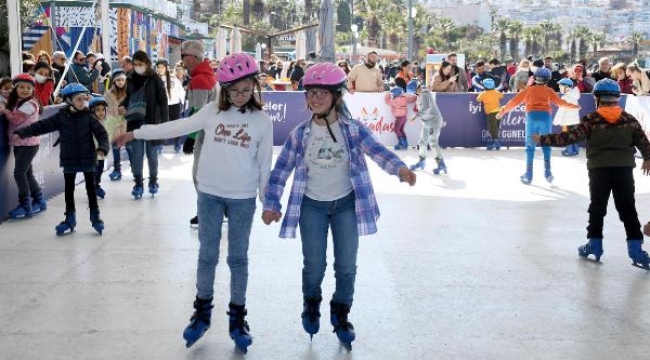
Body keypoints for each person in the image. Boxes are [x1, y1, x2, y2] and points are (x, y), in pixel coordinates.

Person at [115, 52, 273, 353]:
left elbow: (265, 165)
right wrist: (137, 133)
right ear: (222, 88)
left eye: (245, 90)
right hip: (210, 194)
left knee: (238, 259)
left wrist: (267, 200)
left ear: (254, 87)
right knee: (207, 255)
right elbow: (178, 126)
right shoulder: (212, 111)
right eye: (233, 90)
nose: (239, 96)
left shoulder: (262, 121)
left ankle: (238, 318)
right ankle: (202, 312)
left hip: (242, 199)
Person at [261, 62, 416, 349]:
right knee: (314, 266)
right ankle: (311, 304)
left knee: (346, 267)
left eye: (322, 93)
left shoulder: (353, 130)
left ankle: (341, 313)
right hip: (311, 207)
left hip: (346, 205)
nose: (316, 98)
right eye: (311, 93)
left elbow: (378, 151)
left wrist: (400, 169)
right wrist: (272, 203)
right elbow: (280, 171)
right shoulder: (299, 134)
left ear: (337, 96)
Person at [534, 79, 650, 270]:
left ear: (597, 98)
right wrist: (647, 158)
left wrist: (544, 139)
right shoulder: (629, 119)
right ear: (617, 99)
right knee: (628, 210)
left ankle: (594, 245)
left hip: (599, 171)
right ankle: (636, 251)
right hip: (624, 171)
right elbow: (644, 142)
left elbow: (568, 137)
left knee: (597, 208)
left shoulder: (591, 119)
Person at [12, 83, 109, 235]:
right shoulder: (61, 117)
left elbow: (102, 134)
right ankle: (70, 218)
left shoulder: (89, 117)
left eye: (85, 99)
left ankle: (95, 217)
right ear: (69, 100)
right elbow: (41, 126)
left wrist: (102, 148)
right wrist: (22, 132)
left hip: (88, 159)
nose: (83, 103)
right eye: (79, 99)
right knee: (69, 191)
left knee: (91, 189)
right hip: (69, 159)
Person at [496, 68, 580, 185]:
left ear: (534, 78)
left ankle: (528, 174)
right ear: (548, 80)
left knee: (530, 146)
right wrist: (574, 106)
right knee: (546, 144)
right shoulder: (549, 91)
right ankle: (548, 173)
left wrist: (502, 112)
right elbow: (560, 103)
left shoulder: (528, 90)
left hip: (532, 118)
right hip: (545, 118)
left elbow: (513, 102)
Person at [179, 40, 218, 227]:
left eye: (183, 56)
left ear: (193, 57)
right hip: (212, 132)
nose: (182, 60)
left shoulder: (200, 79)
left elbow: (199, 112)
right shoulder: (207, 75)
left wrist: (191, 136)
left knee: (199, 175)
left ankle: (206, 212)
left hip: (205, 134)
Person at [121, 50, 169, 199]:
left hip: (152, 123)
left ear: (147, 63)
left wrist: (164, 124)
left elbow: (163, 100)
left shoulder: (155, 79)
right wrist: (122, 105)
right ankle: (138, 183)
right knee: (136, 155)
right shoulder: (130, 78)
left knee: (151, 155)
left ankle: (153, 181)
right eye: (135, 64)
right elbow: (129, 98)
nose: (137, 67)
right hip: (135, 122)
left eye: (140, 64)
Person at [0, 74, 46, 219]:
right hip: (22, 143)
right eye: (21, 87)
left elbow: (15, 119)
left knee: (19, 173)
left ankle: (26, 205)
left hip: (28, 144)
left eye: (28, 88)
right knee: (27, 173)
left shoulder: (30, 104)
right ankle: (39, 200)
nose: (25, 90)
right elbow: (5, 93)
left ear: (33, 90)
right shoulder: (18, 100)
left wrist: (4, 110)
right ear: (16, 88)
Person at [408, 80, 448, 174]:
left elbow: (426, 107)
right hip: (426, 123)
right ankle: (421, 161)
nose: (415, 93)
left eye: (415, 91)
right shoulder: (421, 95)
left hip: (434, 121)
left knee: (433, 142)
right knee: (422, 142)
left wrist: (415, 116)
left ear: (417, 88)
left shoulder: (424, 94)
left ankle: (441, 164)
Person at [155, 59, 186, 153]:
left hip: (174, 105)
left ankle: (177, 143)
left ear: (167, 68)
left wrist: (184, 103)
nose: (160, 69)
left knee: (175, 126)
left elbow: (181, 92)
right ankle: (159, 145)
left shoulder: (173, 79)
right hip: (161, 107)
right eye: (158, 67)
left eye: (162, 67)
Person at [106, 70, 129, 181]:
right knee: (115, 148)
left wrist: (125, 111)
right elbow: (105, 109)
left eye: (123, 80)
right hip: (114, 125)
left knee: (130, 148)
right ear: (114, 81)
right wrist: (116, 110)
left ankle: (136, 169)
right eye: (118, 80)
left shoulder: (130, 92)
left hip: (127, 123)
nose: (120, 82)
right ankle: (117, 170)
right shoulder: (108, 94)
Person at [553, 78, 582, 157]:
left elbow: (561, 111)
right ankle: (575, 150)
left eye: (560, 87)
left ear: (566, 87)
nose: (559, 88)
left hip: (566, 120)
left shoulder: (565, 97)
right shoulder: (574, 97)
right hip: (574, 120)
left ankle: (569, 151)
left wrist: (557, 120)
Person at [385, 84, 417, 150]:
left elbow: (387, 102)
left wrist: (387, 94)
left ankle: (401, 143)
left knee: (396, 129)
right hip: (404, 117)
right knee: (401, 130)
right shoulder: (405, 99)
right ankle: (405, 143)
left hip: (399, 117)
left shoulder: (394, 100)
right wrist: (407, 94)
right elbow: (413, 100)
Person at [89, 96, 109, 199]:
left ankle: (96, 185)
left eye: (103, 110)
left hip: (101, 153)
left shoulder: (105, 121)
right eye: (98, 110)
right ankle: (94, 188)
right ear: (92, 111)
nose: (101, 112)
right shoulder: (90, 123)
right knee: (94, 171)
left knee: (100, 171)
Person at [476, 78, 504, 150]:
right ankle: (494, 143)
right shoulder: (496, 92)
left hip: (491, 114)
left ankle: (495, 142)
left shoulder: (483, 94)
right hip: (499, 112)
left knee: (492, 129)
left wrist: (481, 93)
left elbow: (478, 99)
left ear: (484, 87)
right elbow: (502, 96)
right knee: (496, 128)